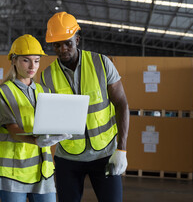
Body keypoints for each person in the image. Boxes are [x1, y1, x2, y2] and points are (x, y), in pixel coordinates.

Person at [40, 12, 130, 202]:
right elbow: (48, 117)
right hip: (68, 159)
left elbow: (122, 103)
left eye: (68, 43)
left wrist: (121, 150)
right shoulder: (47, 76)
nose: (63, 49)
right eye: (57, 45)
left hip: (105, 154)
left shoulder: (102, 64)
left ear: (77, 39)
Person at [0, 34, 71, 202]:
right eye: (26, 60)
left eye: (36, 60)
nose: (32, 66)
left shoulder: (45, 92)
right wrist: (37, 141)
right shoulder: (4, 92)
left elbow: (50, 126)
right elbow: (13, 131)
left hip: (43, 170)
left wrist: (61, 131)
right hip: (13, 171)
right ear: (13, 60)